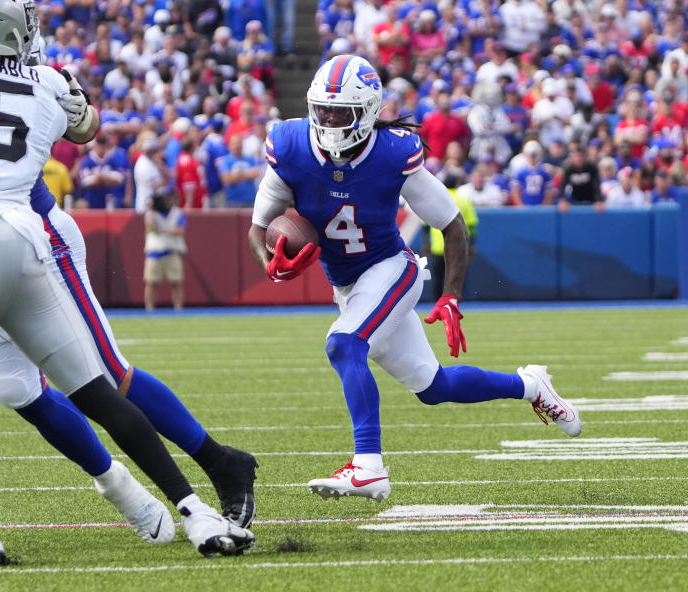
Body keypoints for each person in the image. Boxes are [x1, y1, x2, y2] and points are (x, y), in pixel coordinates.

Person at [0, 0, 253, 567]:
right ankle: (196, 513)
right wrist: (70, 97)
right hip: (26, 243)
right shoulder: (46, 82)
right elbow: (87, 127)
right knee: (97, 389)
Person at [247, 55, 582, 502]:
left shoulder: (391, 154)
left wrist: (451, 296)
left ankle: (368, 468)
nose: (327, 121)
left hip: (391, 270)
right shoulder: (290, 145)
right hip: (348, 287)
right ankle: (531, 386)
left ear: (367, 111)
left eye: (339, 111)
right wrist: (270, 259)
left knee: (344, 344)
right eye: (321, 110)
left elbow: (452, 224)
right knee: (434, 387)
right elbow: (258, 228)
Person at [143, 186, 187, 311]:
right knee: (151, 283)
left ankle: (178, 309)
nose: (166, 200)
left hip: (172, 251)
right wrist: (151, 209)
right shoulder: (151, 213)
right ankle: (149, 309)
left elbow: (180, 230)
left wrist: (162, 231)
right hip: (155, 252)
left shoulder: (177, 212)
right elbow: (150, 228)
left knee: (176, 282)